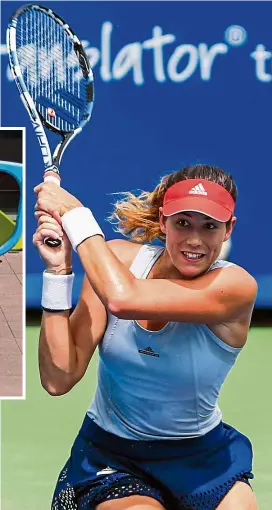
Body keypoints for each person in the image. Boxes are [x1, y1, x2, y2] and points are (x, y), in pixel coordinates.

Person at [33, 164, 258, 510]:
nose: (195, 240)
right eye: (182, 222)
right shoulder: (118, 262)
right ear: (162, 220)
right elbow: (58, 377)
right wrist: (58, 272)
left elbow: (123, 299)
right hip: (112, 457)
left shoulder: (236, 287)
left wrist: (74, 215)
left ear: (229, 229)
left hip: (204, 458)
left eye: (210, 225)